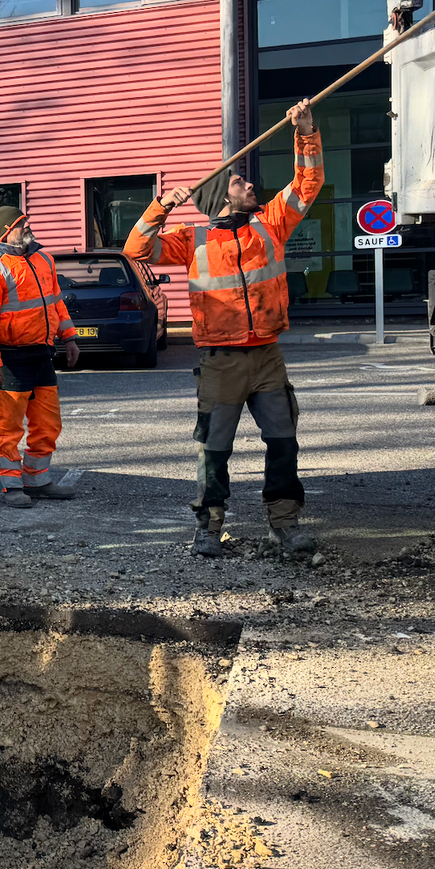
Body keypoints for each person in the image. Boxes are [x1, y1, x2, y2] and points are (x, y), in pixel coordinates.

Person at [124, 99, 323, 556]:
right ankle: (209, 529)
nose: (250, 184)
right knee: (214, 452)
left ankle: (284, 524)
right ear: (220, 197)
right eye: (239, 181)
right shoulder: (190, 241)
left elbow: (307, 184)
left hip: (267, 358)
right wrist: (158, 208)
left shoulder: (270, 225)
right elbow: (136, 249)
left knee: (283, 444)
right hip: (221, 363)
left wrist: (306, 132)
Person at [0, 208, 80, 507]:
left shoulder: (43, 259)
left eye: (26, 223)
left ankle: (37, 480)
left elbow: (55, 301)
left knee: (48, 423)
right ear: (6, 232)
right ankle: (11, 485)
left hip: (41, 353)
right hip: (10, 359)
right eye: (21, 225)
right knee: (9, 426)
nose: (28, 227)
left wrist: (69, 337)